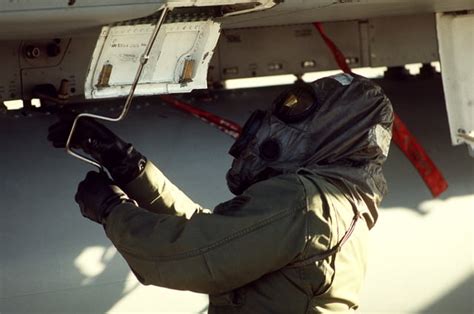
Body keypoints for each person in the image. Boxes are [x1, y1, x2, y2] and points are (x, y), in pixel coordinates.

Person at [48, 73, 393, 313]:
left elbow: (193, 255)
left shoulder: (305, 201)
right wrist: (129, 166)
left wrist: (111, 210)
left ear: (336, 133)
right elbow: (215, 236)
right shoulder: (337, 200)